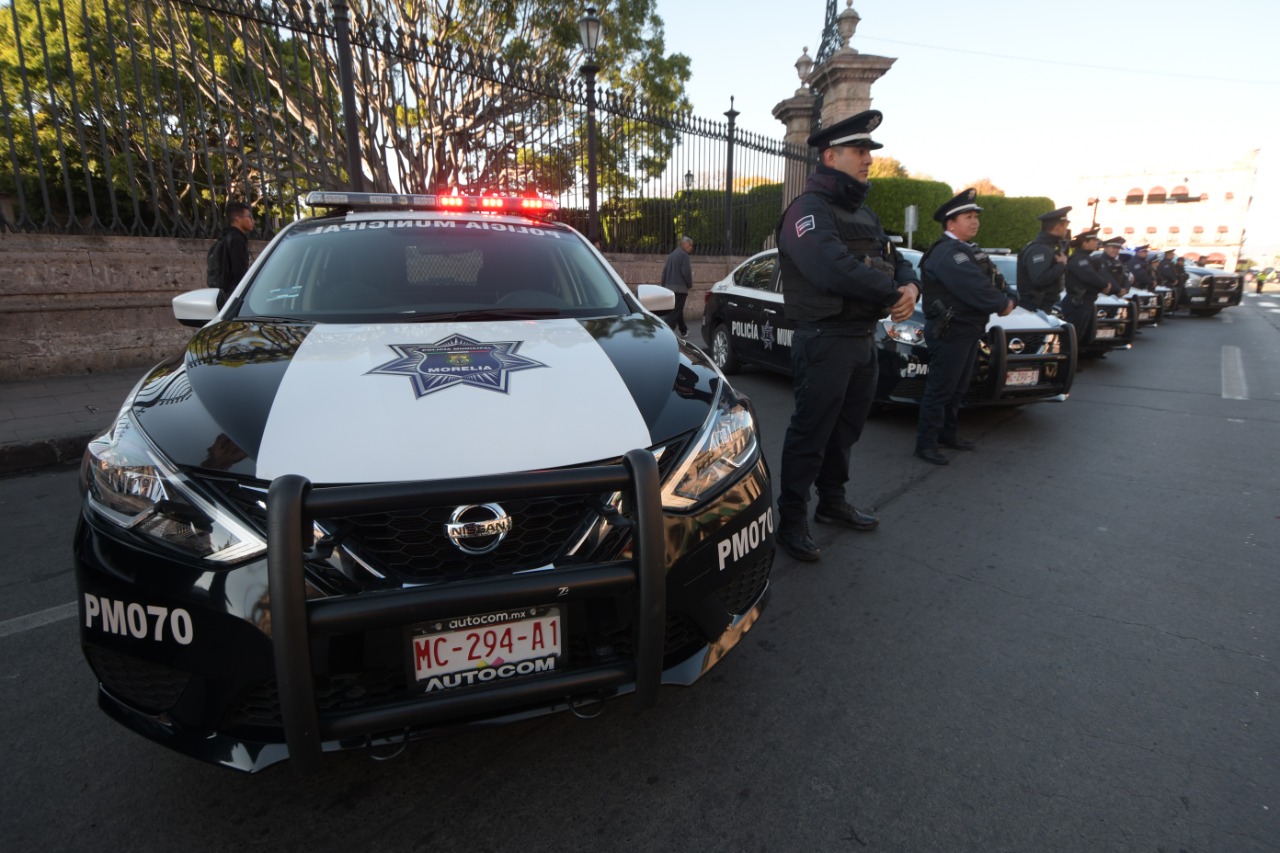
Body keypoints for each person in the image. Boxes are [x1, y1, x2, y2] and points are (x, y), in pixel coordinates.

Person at [773, 109, 920, 561]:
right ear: (830, 155)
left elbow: (896, 258)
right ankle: (792, 519)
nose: (869, 160)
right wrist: (891, 288)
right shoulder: (807, 211)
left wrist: (912, 284)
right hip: (825, 339)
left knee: (846, 431)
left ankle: (832, 503)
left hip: (860, 338)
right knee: (812, 432)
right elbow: (830, 268)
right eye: (860, 151)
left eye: (869, 152)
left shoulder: (865, 214)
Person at [913, 189, 1016, 465]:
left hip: (966, 330)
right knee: (941, 389)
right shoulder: (949, 253)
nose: (975, 222)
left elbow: (994, 279)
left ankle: (948, 435)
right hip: (951, 331)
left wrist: (1009, 296)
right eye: (968, 217)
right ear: (951, 223)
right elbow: (974, 285)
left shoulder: (967, 251)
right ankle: (926, 443)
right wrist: (1002, 303)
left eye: (976, 217)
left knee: (957, 388)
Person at [1061, 227, 1113, 353]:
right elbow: (1089, 276)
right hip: (1077, 302)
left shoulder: (1087, 258)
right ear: (1084, 243)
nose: (1096, 242)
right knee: (1072, 336)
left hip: (1085, 301)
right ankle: (1067, 364)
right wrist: (1104, 285)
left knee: (1079, 335)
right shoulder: (1079, 258)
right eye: (1093, 240)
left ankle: (1073, 361)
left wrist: (1104, 285)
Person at [1016, 207, 1071, 313]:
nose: (1066, 230)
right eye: (1065, 226)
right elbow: (1039, 279)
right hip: (1035, 308)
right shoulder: (1040, 249)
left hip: (1042, 306)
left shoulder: (1048, 247)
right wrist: (1060, 265)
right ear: (1057, 227)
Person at [210, 201, 254, 306]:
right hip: (236, 296)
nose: (253, 221)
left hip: (228, 294)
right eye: (249, 216)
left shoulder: (227, 237)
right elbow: (240, 271)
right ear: (238, 219)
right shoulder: (236, 240)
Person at [661, 236, 693, 337]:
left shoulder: (672, 255)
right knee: (675, 313)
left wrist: (664, 285)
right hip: (680, 289)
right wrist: (689, 285)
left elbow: (665, 272)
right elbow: (686, 272)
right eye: (689, 245)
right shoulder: (684, 255)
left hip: (669, 288)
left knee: (676, 311)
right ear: (684, 244)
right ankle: (667, 334)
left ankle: (684, 330)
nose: (691, 248)